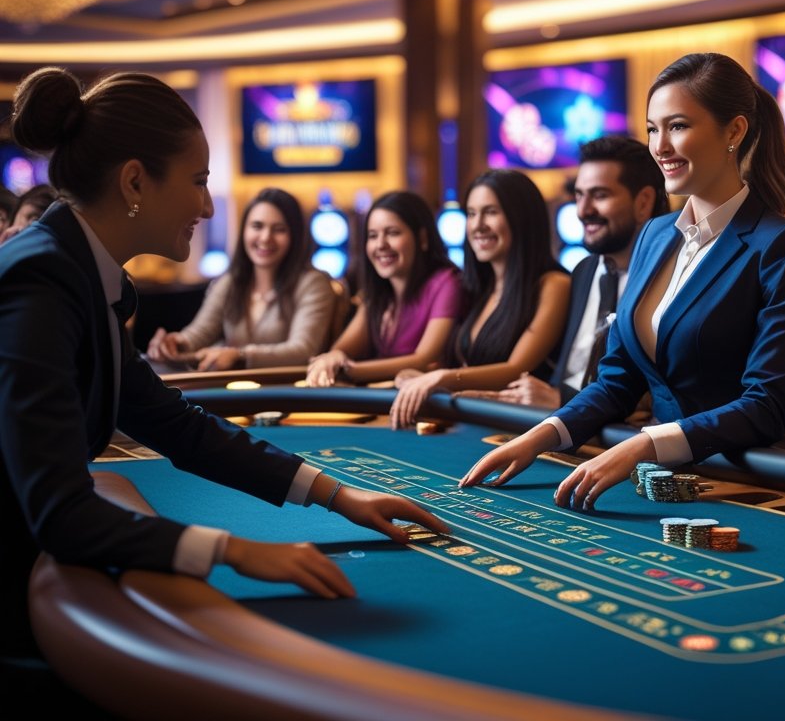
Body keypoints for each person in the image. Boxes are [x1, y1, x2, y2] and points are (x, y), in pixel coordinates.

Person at [0, 68, 445, 688]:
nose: (208, 206)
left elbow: (177, 426)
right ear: (134, 181)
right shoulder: (41, 279)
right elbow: (58, 512)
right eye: (198, 181)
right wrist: (234, 550)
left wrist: (339, 497)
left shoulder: (83, 276)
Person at [460, 52, 785, 510]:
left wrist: (644, 443)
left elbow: (765, 406)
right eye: (653, 129)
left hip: (728, 488)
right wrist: (543, 434)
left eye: (678, 126)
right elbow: (618, 378)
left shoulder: (784, 246)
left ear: (734, 131)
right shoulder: (653, 235)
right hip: (646, 481)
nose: (660, 146)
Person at [457, 135, 668, 411]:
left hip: (620, 443)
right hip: (553, 430)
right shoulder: (583, 272)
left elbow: (668, 394)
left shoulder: (672, 276)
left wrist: (563, 400)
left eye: (600, 195)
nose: (583, 210)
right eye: (579, 195)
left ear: (643, 202)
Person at [388, 168, 571, 428]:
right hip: (477, 426)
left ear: (522, 218)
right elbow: (471, 365)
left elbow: (515, 368)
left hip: (525, 433)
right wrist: (423, 376)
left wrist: (441, 378)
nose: (477, 225)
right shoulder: (481, 289)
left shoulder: (553, 284)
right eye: (471, 214)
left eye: (491, 212)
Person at [145, 187, 336, 371]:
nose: (265, 237)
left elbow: (302, 351)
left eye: (279, 229)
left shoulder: (313, 283)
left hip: (290, 393)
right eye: (257, 226)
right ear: (243, 230)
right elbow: (199, 334)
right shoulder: (230, 282)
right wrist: (175, 343)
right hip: (234, 392)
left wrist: (240, 355)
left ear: (296, 236)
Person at [306, 190, 462, 386]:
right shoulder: (378, 292)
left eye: (393, 233)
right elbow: (343, 348)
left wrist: (350, 370)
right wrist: (333, 357)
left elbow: (424, 359)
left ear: (422, 238)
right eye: (372, 236)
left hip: (428, 407)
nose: (380, 244)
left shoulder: (447, 282)